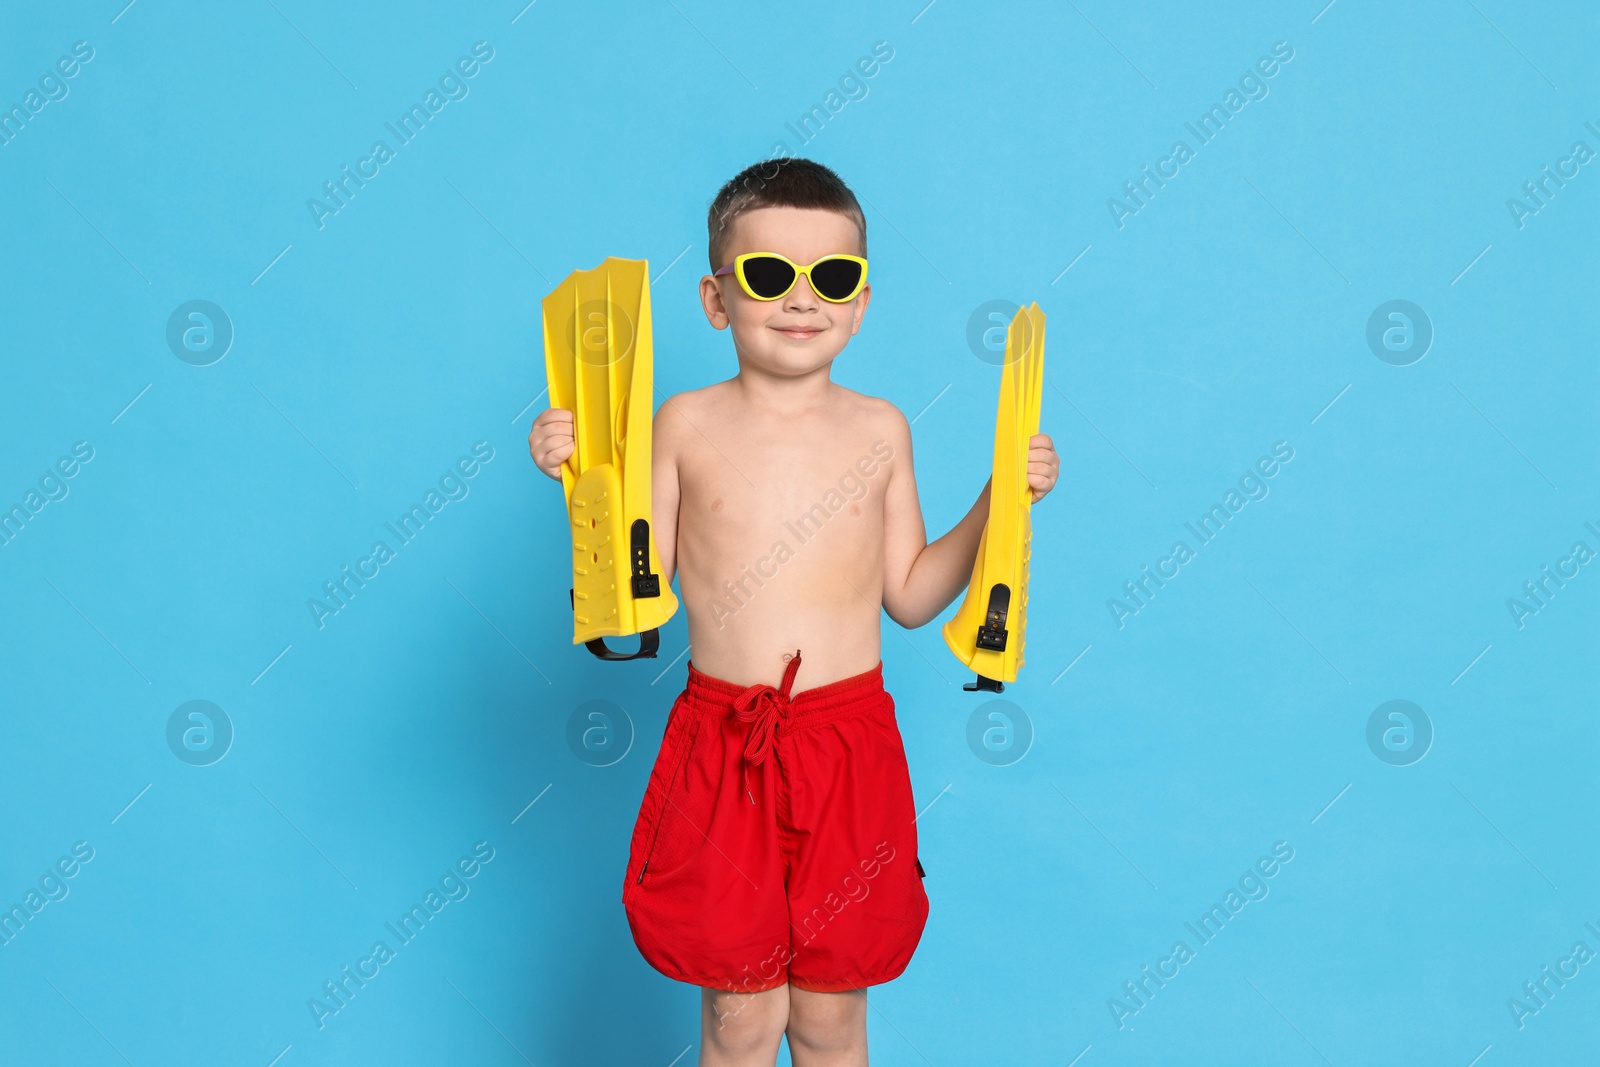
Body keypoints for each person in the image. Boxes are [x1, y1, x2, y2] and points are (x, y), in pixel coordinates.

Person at [529, 157, 1059, 1067]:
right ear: (715, 299)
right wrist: (570, 471)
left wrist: (999, 499)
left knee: (828, 1019)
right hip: (722, 742)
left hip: (848, 746)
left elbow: (912, 596)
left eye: (833, 278)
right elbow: (628, 572)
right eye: (769, 276)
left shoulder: (881, 428)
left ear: (859, 303)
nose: (802, 299)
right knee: (740, 1022)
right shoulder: (683, 424)